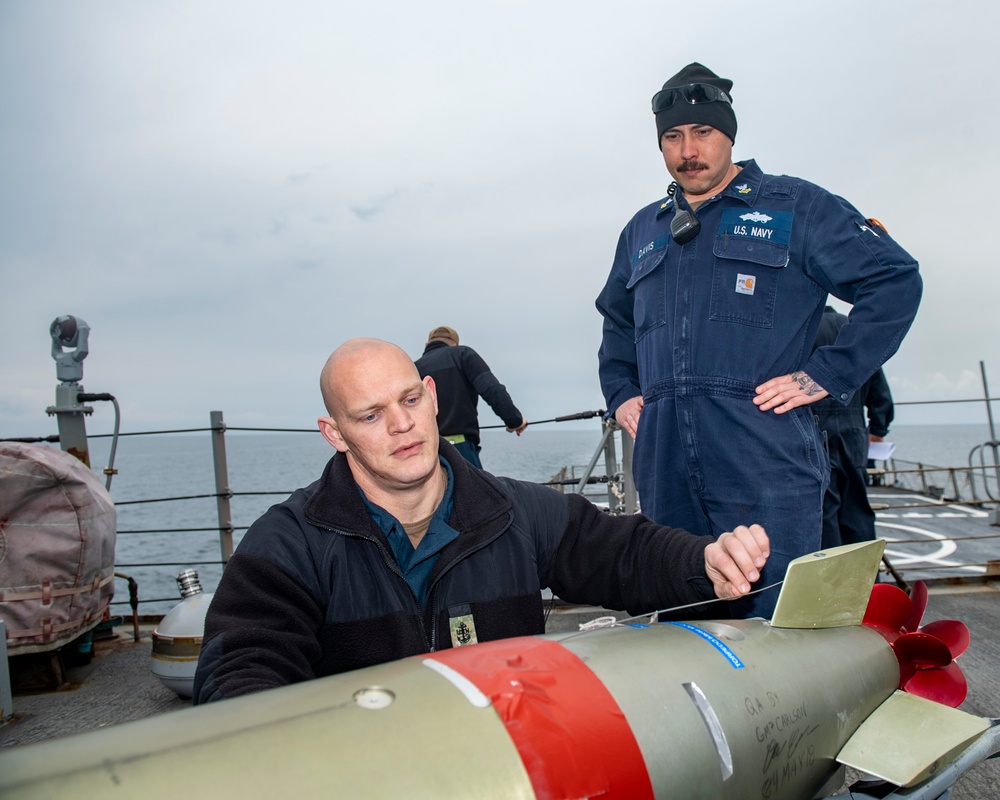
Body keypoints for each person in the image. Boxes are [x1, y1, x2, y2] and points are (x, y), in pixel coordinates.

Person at [192, 338, 770, 703]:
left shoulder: (514, 513)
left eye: (409, 401)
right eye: (371, 414)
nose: (401, 425)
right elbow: (240, 667)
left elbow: (622, 552)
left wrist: (705, 563)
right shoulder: (288, 543)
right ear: (335, 433)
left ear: (432, 395)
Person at [595, 62, 921, 618]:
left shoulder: (795, 207)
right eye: (673, 137)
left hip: (763, 456)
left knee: (775, 626)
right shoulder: (642, 231)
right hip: (664, 460)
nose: (688, 150)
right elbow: (617, 320)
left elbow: (894, 279)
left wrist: (828, 374)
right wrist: (621, 391)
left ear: (730, 135)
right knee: (683, 618)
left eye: (703, 133)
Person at [812, 305, 895, 548]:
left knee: (825, 511)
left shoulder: (803, 331)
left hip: (816, 428)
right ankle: (868, 581)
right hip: (855, 430)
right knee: (857, 509)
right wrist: (878, 429)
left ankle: (832, 581)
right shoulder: (854, 332)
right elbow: (880, 391)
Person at [414, 325, 528, 469]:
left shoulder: (414, 368)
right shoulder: (462, 354)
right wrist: (515, 420)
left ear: (427, 345)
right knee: (477, 492)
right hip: (461, 449)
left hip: (425, 452)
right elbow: (491, 388)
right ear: (455, 344)